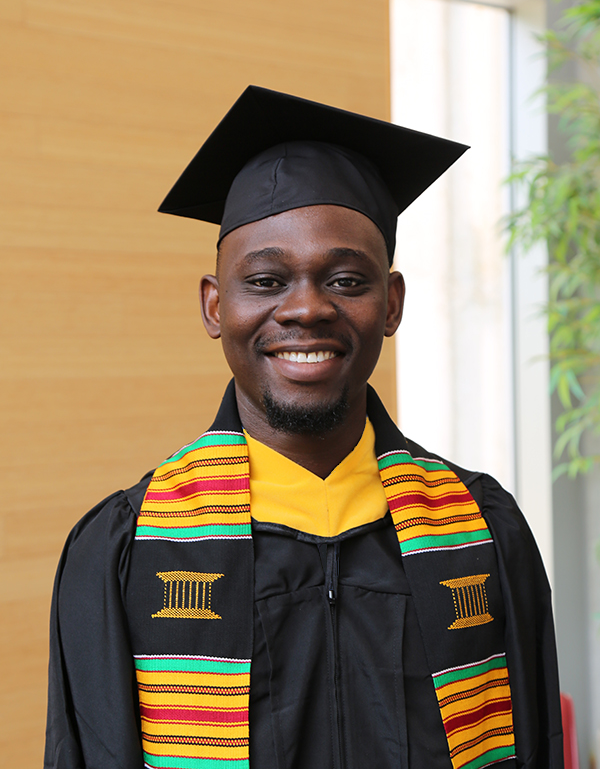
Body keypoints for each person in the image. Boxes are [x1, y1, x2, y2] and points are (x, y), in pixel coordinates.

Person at [44, 87, 563, 769]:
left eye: (347, 281)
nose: (307, 309)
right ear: (213, 305)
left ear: (392, 303)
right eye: (264, 281)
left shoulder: (480, 533)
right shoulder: (125, 551)